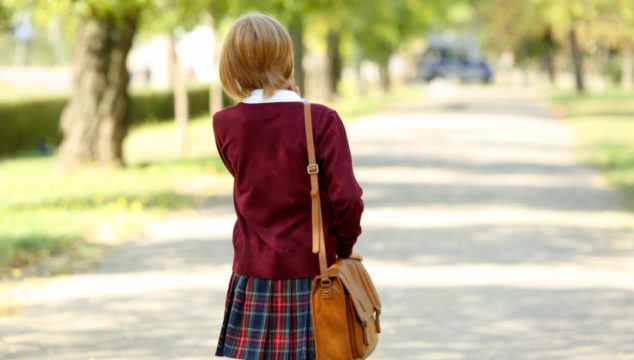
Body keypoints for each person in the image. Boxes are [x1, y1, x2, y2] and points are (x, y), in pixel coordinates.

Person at [212, 13, 364, 360]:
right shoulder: (321, 120)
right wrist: (342, 246)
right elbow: (348, 199)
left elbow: (252, 182)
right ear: (285, 57)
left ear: (231, 64)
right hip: (313, 275)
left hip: (253, 277)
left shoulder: (225, 124)